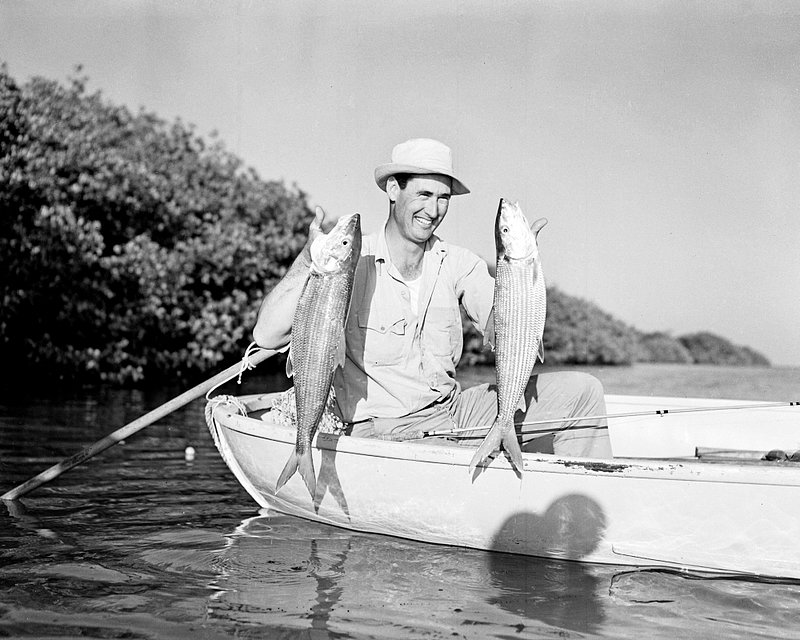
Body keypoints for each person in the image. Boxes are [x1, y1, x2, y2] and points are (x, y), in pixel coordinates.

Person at [253, 138, 612, 458]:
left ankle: (589, 501)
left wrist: (521, 270)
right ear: (394, 189)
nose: (434, 209)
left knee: (584, 391)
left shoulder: (459, 263)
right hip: (384, 429)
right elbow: (267, 336)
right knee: (454, 460)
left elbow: (507, 328)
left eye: (443, 198)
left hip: (453, 411)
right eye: (424, 194)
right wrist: (307, 258)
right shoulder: (348, 264)